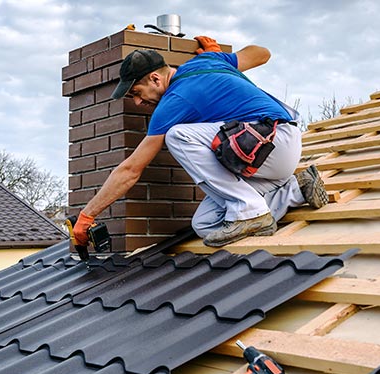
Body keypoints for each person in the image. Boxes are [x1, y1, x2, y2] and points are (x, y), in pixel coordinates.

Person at [73, 36, 328, 248]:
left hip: (273, 140)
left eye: (136, 93)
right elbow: (262, 53)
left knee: (178, 135)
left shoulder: (174, 101)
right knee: (205, 224)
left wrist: (88, 215)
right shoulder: (209, 60)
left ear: (155, 79)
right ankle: (296, 189)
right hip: (266, 158)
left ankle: (251, 210)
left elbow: (130, 170)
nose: (138, 103)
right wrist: (223, 61)